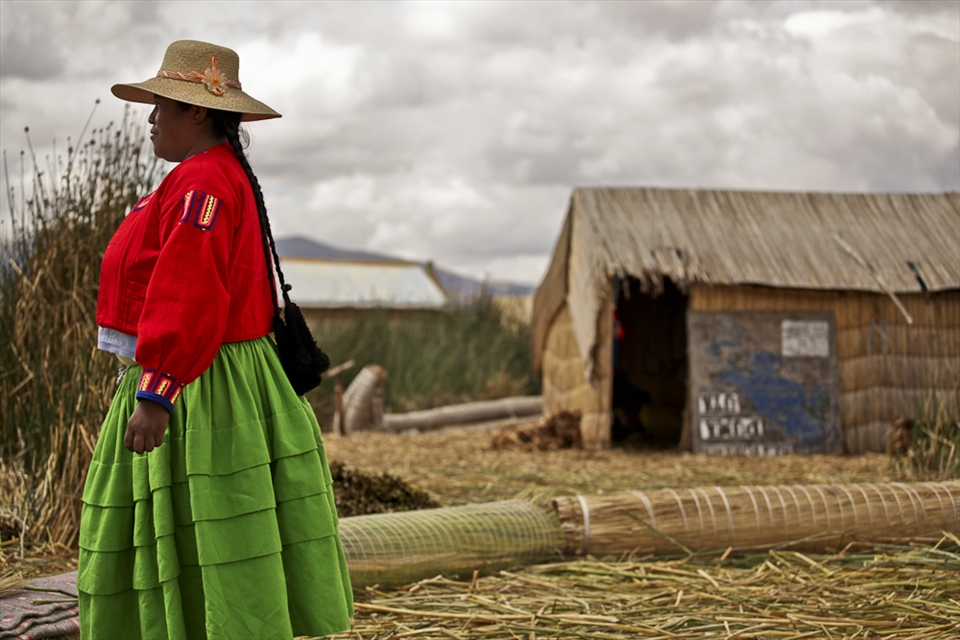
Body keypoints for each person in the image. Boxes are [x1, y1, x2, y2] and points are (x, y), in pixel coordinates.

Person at [78, 40, 353, 638]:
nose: (151, 119)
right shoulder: (216, 175)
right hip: (221, 374)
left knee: (204, 521)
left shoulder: (202, 183)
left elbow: (190, 291)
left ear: (198, 111)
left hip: (198, 385)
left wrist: (156, 393)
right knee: (221, 526)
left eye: (161, 106)